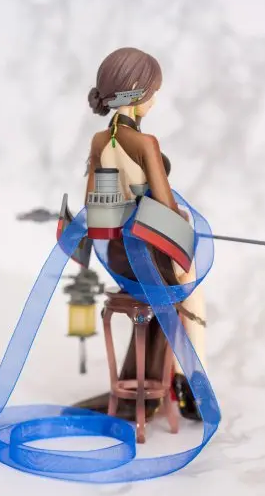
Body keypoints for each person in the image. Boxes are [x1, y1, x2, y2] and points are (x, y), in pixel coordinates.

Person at [79, 47, 207, 421]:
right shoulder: (145, 143)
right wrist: (180, 221)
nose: (154, 100)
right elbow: (166, 208)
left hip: (120, 254)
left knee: (179, 290)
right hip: (149, 251)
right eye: (152, 92)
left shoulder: (100, 141)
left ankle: (167, 381)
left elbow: (93, 206)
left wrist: (127, 210)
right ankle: (190, 385)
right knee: (193, 294)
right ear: (135, 92)